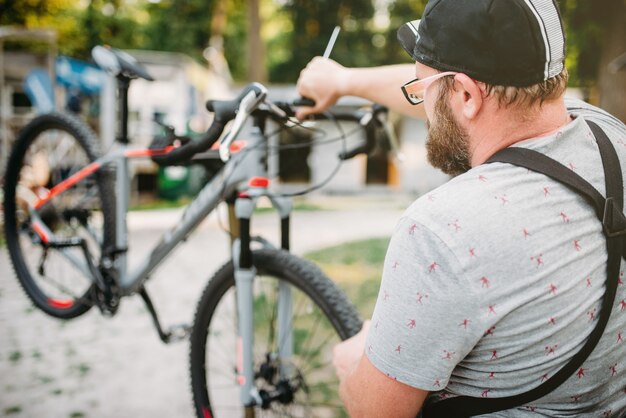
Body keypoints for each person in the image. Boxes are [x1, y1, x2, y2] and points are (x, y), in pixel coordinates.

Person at [296, 0, 626, 416]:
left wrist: (355, 359)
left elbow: (373, 411)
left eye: (423, 88)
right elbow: (463, 86)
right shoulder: (610, 135)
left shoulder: (444, 230)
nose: (420, 103)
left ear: (467, 94)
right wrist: (342, 81)